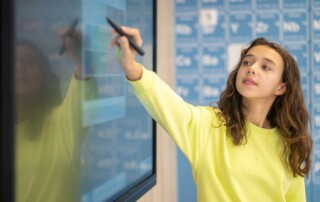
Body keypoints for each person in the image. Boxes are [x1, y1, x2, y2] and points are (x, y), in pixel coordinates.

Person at [110, 27, 313, 201]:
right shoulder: (210, 126)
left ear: (281, 87)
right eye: (247, 62)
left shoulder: (289, 145)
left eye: (265, 67)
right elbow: (165, 103)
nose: (252, 69)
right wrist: (131, 66)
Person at [15, 29, 95, 202]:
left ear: (44, 74)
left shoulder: (59, 124)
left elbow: (83, 87)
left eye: (29, 61)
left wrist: (83, 59)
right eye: (11, 62)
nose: (19, 66)